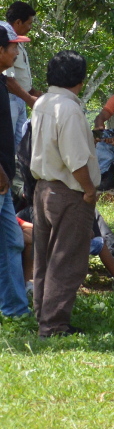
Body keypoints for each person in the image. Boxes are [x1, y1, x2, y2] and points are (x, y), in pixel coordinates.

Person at [28, 51, 100, 337]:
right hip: (69, 191)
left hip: (43, 187)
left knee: (45, 257)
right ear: (80, 79)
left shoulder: (43, 102)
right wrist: (90, 190)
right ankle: (54, 324)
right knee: (67, 260)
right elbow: (76, 159)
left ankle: (43, 315)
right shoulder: (69, 109)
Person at [0, 25, 24, 321]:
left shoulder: (4, 83)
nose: (17, 52)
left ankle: (16, 309)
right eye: (13, 48)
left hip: (4, 180)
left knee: (12, 240)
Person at [4, 2, 37, 162]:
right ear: (18, 22)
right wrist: (29, 99)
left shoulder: (16, 40)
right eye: (29, 23)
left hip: (19, 99)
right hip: (9, 99)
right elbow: (8, 79)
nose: (30, 27)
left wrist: (34, 93)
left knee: (21, 149)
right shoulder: (5, 37)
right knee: (8, 147)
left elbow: (20, 75)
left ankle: (17, 183)